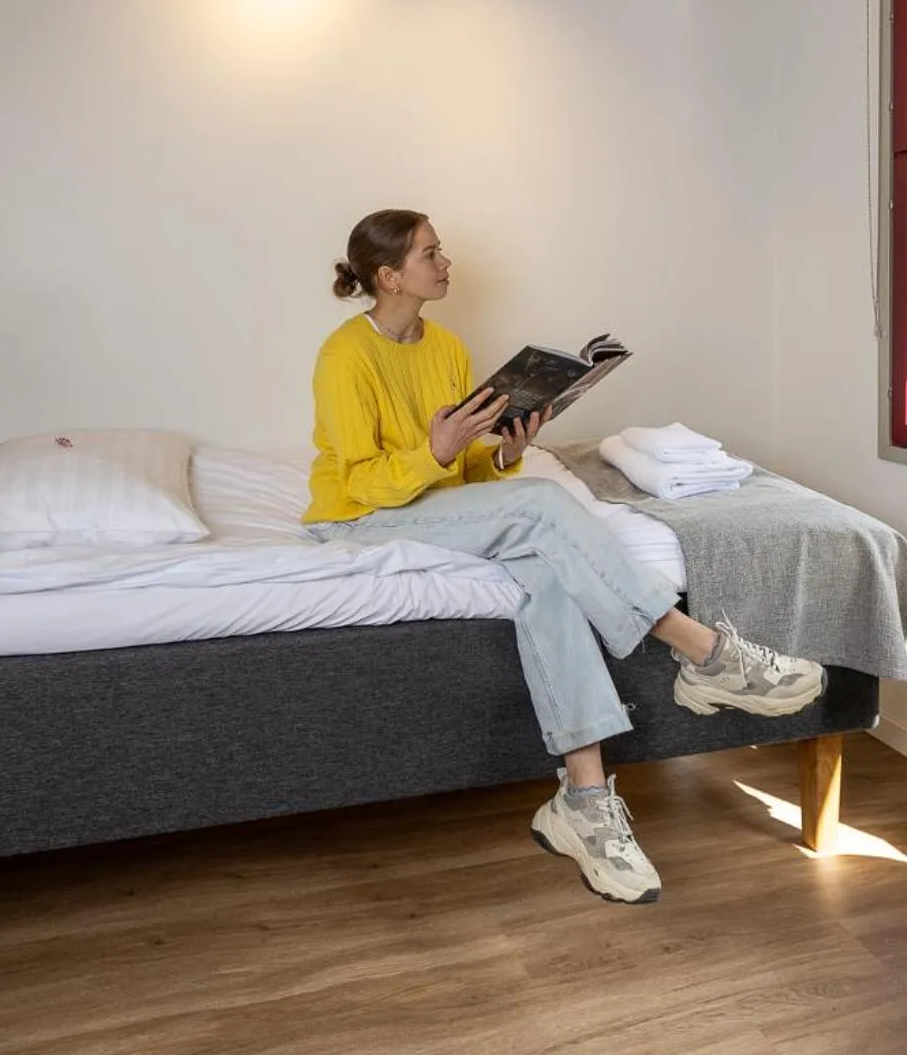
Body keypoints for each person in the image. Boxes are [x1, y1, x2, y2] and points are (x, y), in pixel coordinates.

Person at [303, 208, 826, 904]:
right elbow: (364, 479)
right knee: (545, 508)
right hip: (359, 518)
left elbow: (467, 486)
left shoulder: (447, 347)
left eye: (441, 249)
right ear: (389, 274)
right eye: (431, 253)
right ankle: (701, 650)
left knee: (545, 578)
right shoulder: (344, 355)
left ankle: (583, 799)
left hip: (428, 506)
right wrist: (436, 450)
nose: (446, 261)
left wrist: (507, 453)